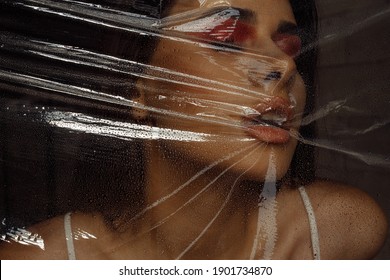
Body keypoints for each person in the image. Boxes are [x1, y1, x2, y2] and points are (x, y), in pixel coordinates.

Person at [0, 0, 387, 259]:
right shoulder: (37, 259)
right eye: (228, 43)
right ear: (139, 89)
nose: (282, 68)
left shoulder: (339, 230)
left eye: (289, 49)